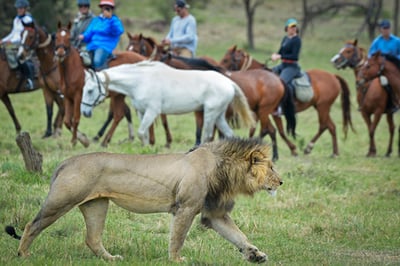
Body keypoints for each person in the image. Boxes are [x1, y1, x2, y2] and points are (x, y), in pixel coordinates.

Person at [78, 0, 123, 71]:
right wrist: (83, 36)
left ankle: (102, 78)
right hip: (92, 46)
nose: (105, 9)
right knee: (84, 60)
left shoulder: (114, 20)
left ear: (111, 9)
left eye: (108, 8)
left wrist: (110, 19)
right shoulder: (96, 20)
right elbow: (89, 32)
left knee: (97, 61)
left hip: (105, 46)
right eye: (104, 7)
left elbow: (118, 31)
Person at [0, 0, 35, 90]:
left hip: (23, 44)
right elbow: (13, 33)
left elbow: (25, 36)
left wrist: (11, 42)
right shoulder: (16, 19)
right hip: (14, 43)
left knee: (19, 57)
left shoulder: (28, 19)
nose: (19, 10)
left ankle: (29, 79)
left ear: (25, 9)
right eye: (18, 8)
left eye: (21, 8)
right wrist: (3, 40)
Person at [271, 18, 302, 115]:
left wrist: (280, 56)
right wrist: (275, 55)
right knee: (268, 75)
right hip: (283, 65)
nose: (293, 29)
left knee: (281, 82)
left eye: (294, 27)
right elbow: (281, 51)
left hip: (292, 66)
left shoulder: (297, 40)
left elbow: (294, 56)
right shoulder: (285, 39)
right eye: (291, 27)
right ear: (286, 29)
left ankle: (281, 107)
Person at [368, 19, 400, 113]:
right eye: (384, 28)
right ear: (380, 30)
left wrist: (394, 56)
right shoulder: (377, 42)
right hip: (380, 67)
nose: (386, 30)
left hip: (394, 65)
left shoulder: (397, 41)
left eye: (387, 28)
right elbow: (371, 54)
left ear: (390, 29)